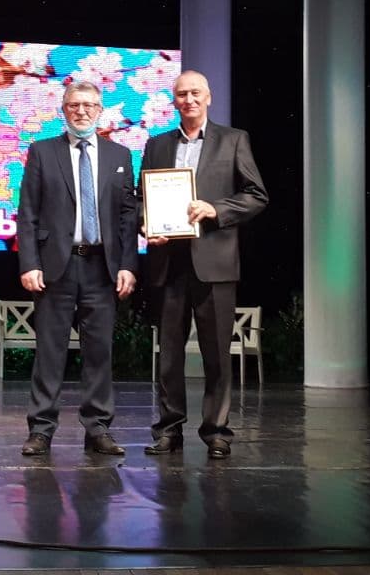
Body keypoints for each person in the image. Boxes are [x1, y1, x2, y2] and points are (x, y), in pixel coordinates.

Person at [141, 70, 268, 459]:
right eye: (182, 94)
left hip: (215, 262)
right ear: (174, 101)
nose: (189, 100)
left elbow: (256, 195)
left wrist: (216, 209)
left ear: (208, 97)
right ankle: (169, 430)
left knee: (216, 354)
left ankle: (217, 432)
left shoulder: (233, 140)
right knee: (169, 355)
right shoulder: (157, 144)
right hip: (169, 263)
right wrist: (147, 224)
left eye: (195, 93)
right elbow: (142, 196)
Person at [16, 80, 139, 457]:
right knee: (50, 352)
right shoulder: (42, 152)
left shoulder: (120, 155)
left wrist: (128, 265)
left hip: (103, 268)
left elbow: (127, 216)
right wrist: (29, 263)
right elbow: (28, 212)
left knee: (99, 353)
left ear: (100, 110)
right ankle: (41, 430)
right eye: (74, 105)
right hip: (56, 266)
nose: (81, 111)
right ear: (64, 110)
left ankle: (98, 429)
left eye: (88, 105)